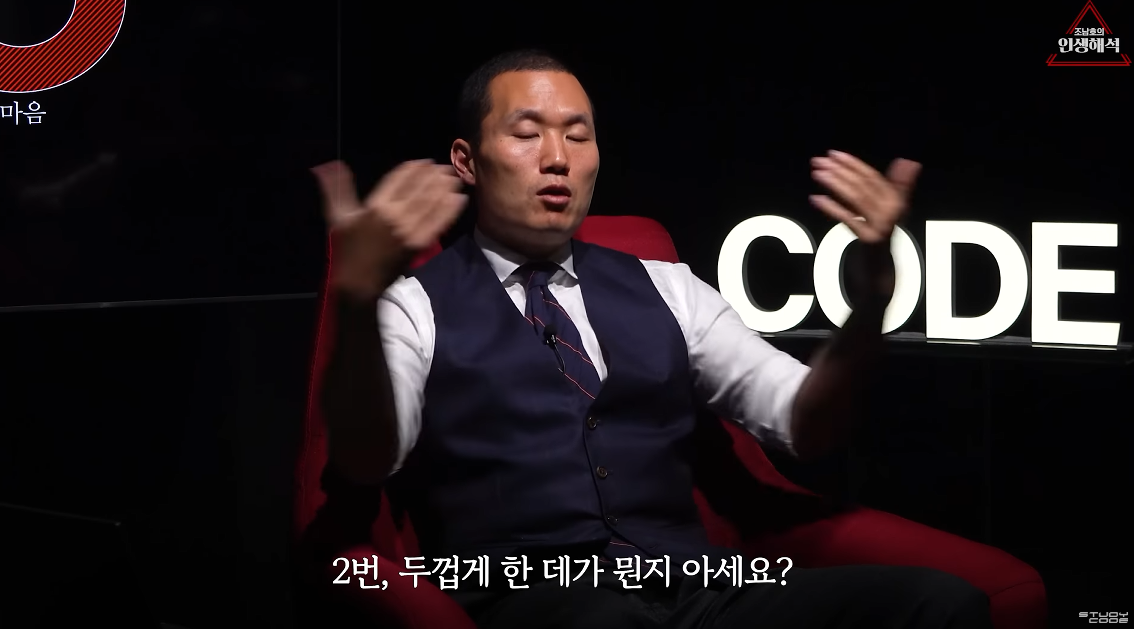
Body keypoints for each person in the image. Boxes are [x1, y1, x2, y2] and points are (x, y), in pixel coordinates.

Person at [308, 49, 993, 628]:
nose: (557, 158)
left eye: (578, 136)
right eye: (528, 134)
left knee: (940, 603)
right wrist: (358, 301)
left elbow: (805, 424)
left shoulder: (668, 286)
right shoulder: (414, 305)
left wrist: (872, 301)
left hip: (697, 591)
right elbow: (367, 459)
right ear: (467, 159)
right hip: (537, 598)